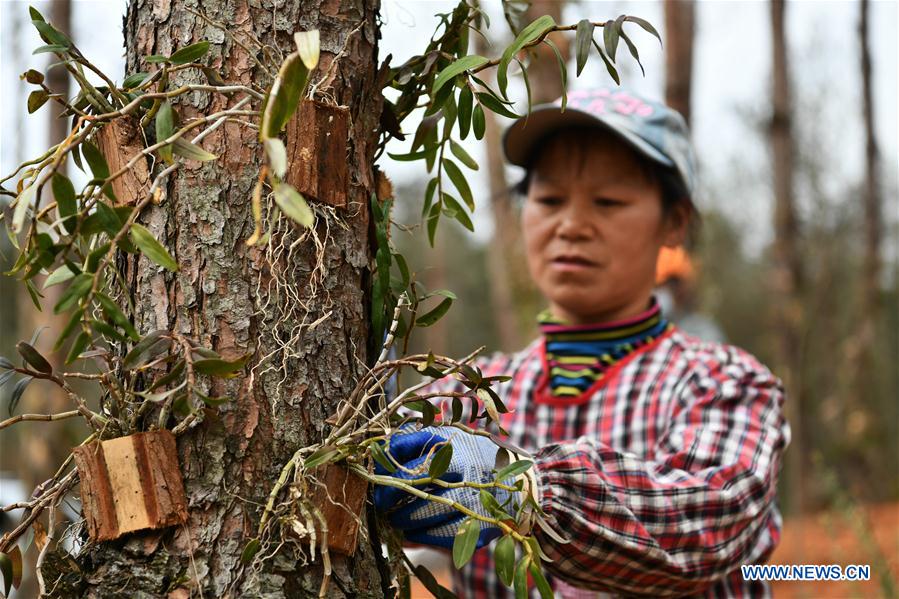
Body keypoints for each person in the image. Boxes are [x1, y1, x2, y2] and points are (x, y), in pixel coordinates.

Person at [373, 86, 790, 598]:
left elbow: (707, 519)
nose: (570, 225)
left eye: (608, 201)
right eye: (548, 199)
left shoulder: (724, 383)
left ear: (675, 222)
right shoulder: (467, 396)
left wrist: (521, 489)